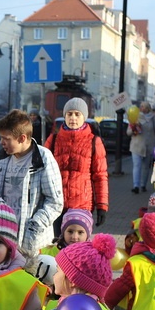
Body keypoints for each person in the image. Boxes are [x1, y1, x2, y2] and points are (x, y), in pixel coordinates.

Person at [0, 110, 63, 257]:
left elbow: (55, 202)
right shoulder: (2, 157)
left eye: (6, 138)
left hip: (32, 243)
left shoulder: (43, 158)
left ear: (22, 138)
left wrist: (34, 227)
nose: (1, 142)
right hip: (3, 237)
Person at [44, 98, 108, 234]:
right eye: (69, 114)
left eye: (77, 114)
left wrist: (102, 206)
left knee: (77, 249)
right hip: (56, 205)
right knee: (56, 246)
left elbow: (100, 176)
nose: (73, 118)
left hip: (82, 205)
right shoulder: (53, 139)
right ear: (65, 116)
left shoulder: (94, 142)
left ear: (84, 117)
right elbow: (42, 171)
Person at [129, 101, 155, 194]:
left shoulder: (154, 119)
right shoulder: (135, 118)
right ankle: (136, 186)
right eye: (141, 106)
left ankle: (143, 184)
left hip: (150, 146)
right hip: (136, 146)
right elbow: (128, 132)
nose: (142, 108)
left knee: (146, 167)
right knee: (137, 165)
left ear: (148, 108)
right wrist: (133, 129)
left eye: (144, 106)